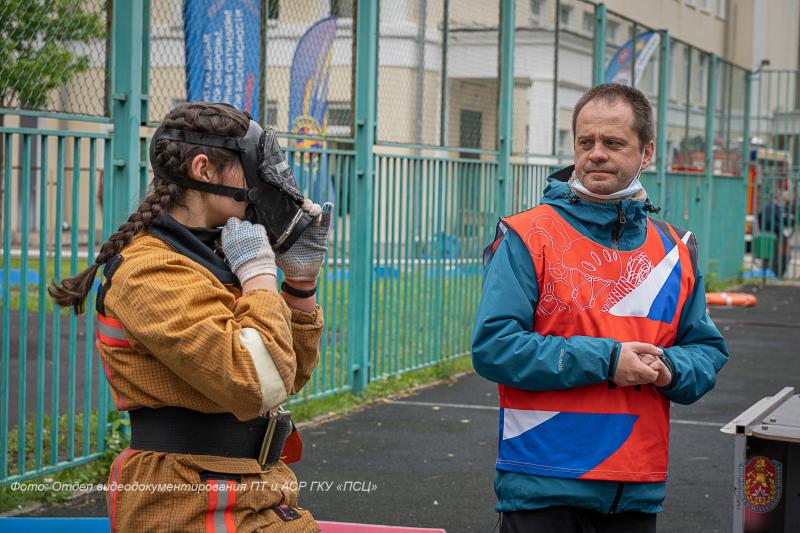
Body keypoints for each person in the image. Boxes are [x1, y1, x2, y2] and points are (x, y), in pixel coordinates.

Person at [50, 102, 332, 532]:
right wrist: (258, 277)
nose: (263, 186)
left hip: (247, 491)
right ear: (204, 169)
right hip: (187, 502)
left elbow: (285, 376)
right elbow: (258, 382)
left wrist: (299, 284)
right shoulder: (150, 272)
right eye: (253, 170)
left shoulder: (213, 258)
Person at [472, 84, 729, 532]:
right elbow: (494, 346)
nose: (596, 154)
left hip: (636, 490)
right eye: (585, 142)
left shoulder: (676, 248)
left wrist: (670, 367)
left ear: (646, 152)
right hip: (543, 486)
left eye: (613, 143)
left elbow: (707, 351)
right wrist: (608, 361)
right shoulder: (527, 236)